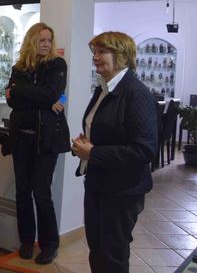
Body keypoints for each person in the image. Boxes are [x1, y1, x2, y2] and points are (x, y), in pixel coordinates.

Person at [72, 32, 157, 273]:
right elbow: (110, 131)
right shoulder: (103, 89)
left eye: (102, 52)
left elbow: (144, 150)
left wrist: (94, 152)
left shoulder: (136, 93)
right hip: (98, 183)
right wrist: (87, 143)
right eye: (95, 52)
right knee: (97, 250)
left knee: (113, 256)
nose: (95, 57)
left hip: (122, 190)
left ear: (121, 55)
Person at [5, 22, 70, 265]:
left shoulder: (57, 65)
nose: (46, 44)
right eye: (41, 40)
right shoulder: (19, 67)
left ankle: (49, 245)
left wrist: (20, 92)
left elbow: (51, 94)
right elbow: (11, 101)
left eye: (49, 40)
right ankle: (26, 240)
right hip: (21, 138)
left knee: (41, 193)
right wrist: (40, 97)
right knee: (22, 192)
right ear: (32, 41)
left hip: (47, 139)